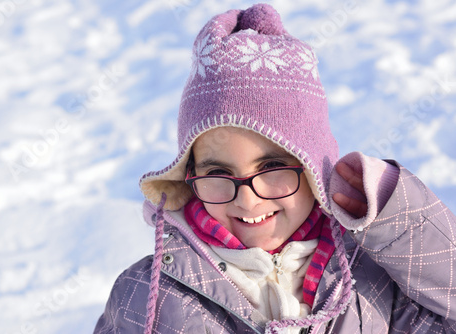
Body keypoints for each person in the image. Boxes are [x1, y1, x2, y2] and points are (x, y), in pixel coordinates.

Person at [94, 3, 456, 333]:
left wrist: (401, 218)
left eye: (271, 167)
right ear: (189, 176)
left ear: (313, 169)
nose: (249, 201)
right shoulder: (148, 296)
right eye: (217, 173)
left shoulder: (373, 281)